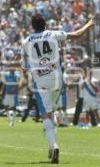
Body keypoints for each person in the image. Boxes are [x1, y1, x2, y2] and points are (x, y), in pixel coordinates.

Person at [20, 13, 94, 164]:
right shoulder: (53, 34)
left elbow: (26, 64)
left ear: (32, 26)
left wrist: (26, 71)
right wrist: (88, 24)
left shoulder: (26, 41)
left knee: (46, 115)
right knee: (52, 111)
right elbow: (77, 34)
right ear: (45, 24)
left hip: (40, 82)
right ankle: (50, 146)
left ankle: (54, 145)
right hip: (57, 80)